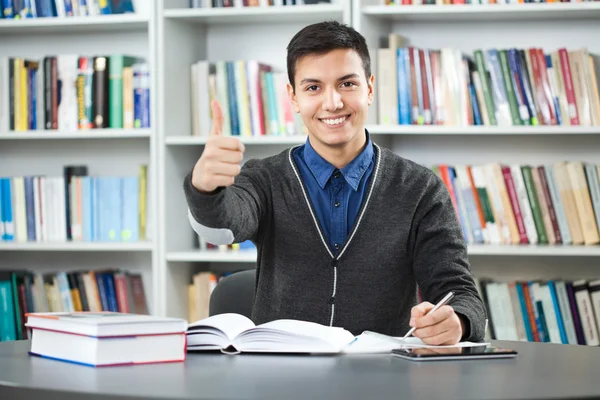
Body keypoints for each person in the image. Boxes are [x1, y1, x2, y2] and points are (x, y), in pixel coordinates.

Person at [183, 20, 487, 345]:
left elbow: (460, 293)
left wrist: (457, 321)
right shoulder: (264, 178)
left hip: (383, 380)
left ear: (369, 88)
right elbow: (224, 227)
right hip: (280, 379)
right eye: (313, 87)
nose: (333, 103)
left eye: (347, 84)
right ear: (294, 97)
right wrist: (205, 187)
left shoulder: (421, 189)